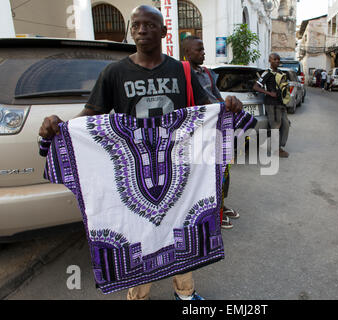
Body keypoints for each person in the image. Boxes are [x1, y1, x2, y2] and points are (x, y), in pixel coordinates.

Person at [38, 5, 243, 301]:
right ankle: (137, 296)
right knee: (137, 232)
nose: (142, 30)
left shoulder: (181, 71)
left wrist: (229, 106)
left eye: (149, 25)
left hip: (177, 167)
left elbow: (208, 109)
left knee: (180, 226)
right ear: (130, 30)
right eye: (136, 25)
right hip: (135, 169)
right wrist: (59, 127)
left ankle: (185, 294)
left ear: (163, 31)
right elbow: (89, 115)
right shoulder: (114, 73)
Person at [182, 35, 240, 230]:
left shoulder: (207, 73)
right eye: (199, 50)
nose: (203, 53)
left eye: (203, 49)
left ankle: (221, 204)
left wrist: (225, 108)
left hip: (216, 127)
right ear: (187, 53)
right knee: (203, 172)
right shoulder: (181, 74)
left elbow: (217, 97)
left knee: (223, 167)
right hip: (197, 131)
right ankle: (211, 211)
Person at [253, 53, 289, 158]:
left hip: (281, 104)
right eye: (274, 59)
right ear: (270, 60)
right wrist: (269, 93)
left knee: (285, 124)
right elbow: (255, 87)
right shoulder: (266, 73)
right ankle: (276, 150)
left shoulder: (281, 73)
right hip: (271, 104)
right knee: (275, 126)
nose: (277, 61)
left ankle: (280, 147)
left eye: (278, 59)